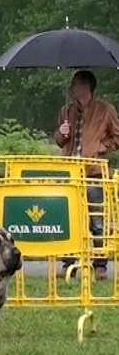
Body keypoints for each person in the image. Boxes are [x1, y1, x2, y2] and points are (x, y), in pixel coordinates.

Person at [54, 70, 119, 280]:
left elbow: (117, 137)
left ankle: (100, 265)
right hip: (71, 170)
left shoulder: (106, 110)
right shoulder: (67, 111)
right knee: (70, 218)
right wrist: (62, 134)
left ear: (86, 87)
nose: (72, 88)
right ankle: (68, 263)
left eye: (75, 84)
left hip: (94, 171)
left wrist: (101, 146)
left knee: (96, 218)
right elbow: (59, 140)